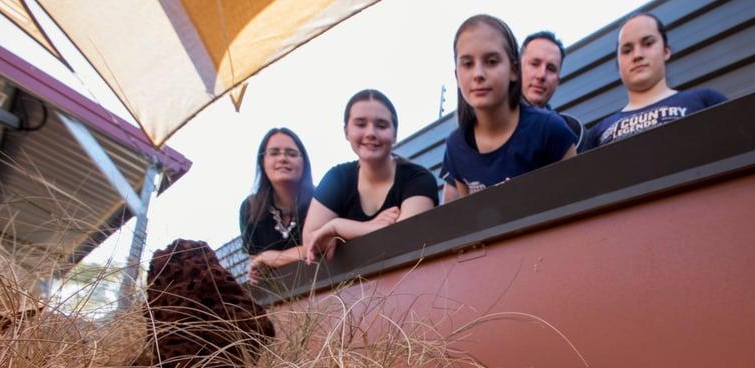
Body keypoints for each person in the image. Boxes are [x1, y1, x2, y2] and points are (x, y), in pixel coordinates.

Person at [441, 15, 577, 203]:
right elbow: (465, 218)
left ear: (514, 70)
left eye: (491, 61)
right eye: (467, 64)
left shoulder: (550, 129)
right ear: (457, 76)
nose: (478, 74)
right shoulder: (455, 146)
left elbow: (579, 199)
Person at [304, 90, 438, 263]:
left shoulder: (419, 178)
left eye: (381, 125)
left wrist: (338, 228)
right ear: (346, 131)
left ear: (395, 134)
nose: (371, 133)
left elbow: (403, 238)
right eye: (360, 124)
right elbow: (310, 241)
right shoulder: (336, 178)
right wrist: (366, 227)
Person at [584, 13, 727, 150]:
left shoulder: (706, 101)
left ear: (666, 51)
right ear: (618, 65)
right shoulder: (595, 134)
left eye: (648, 43)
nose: (637, 55)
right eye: (627, 50)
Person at [239, 127, 314, 284]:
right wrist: (258, 266)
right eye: (274, 153)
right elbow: (258, 265)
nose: (282, 158)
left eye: (291, 153)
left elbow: (322, 247)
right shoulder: (250, 208)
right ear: (262, 161)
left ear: (304, 161)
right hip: (279, 297)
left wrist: (271, 257)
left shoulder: (321, 198)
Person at [520, 30, 584, 147]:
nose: (541, 75)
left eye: (551, 68)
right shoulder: (486, 121)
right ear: (517, 69)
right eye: (535, 64)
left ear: (558, 82)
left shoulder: (574, 132)